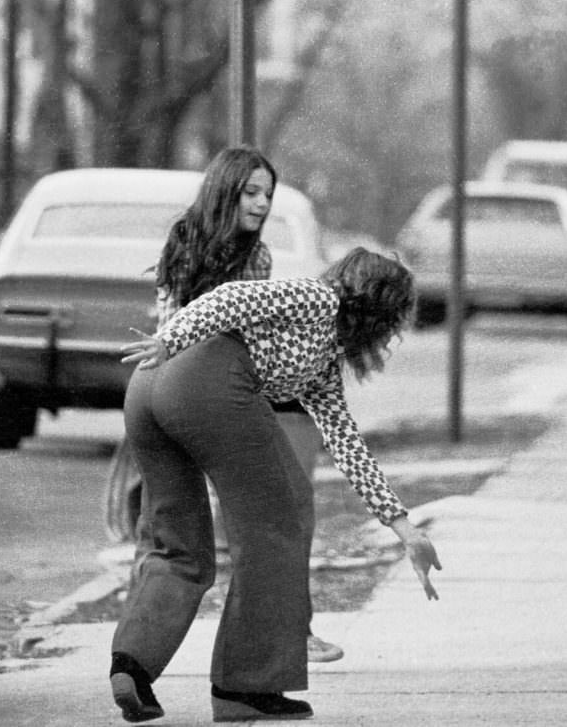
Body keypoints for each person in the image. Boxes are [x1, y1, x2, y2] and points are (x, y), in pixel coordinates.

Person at [109, 248, 441, 723]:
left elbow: (346, 442)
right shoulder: (317, 298)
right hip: (199, 375)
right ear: (379, 308)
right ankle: (245, 686)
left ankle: (132, 667)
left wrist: (405, 528)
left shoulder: (324, 362)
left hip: (148, 389)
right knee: (279, 523)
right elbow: (229, 297)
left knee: (177, 539)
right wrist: (171, 339)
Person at [121, 145, 343, 663]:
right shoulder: (184, 242)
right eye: (252, 192)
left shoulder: (253, 254)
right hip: (203, 389)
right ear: (226, 190)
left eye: (268, 194)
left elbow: (246, 324)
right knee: (275, 515)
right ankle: (260, 652)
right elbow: (191, 318)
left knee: (187, 529)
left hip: (183, 388)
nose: (263, 203)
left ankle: (136, 654)